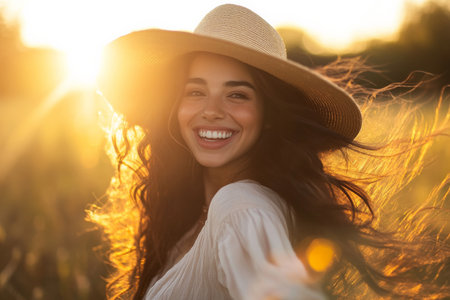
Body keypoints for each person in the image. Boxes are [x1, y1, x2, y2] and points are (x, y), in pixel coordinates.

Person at [89, 4, 449, 300]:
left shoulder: (242, 208)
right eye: (195, 92)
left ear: (270, 115)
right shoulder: (200, 212)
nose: (211, 110)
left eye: (237, 94)